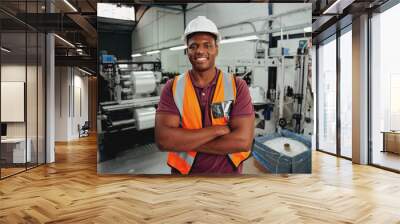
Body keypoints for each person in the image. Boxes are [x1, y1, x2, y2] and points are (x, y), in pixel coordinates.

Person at [155, 16, 255, 174]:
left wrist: (182, 142)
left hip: (227, 177)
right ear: (187, 51)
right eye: (193, 46)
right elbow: (163, 140)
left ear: (216, 49)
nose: (200, 51)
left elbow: (243, 141)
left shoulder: (237, 86)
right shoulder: (173, 87)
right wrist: (216, 131)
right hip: (184, 178)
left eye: (207, 45)